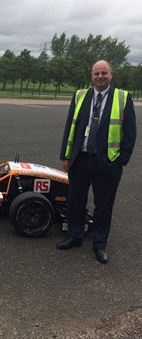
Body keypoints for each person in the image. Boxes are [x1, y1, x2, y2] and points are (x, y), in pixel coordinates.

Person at [56, 60, 136, 264]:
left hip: (107, 162)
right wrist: (66, 156)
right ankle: (75, 236)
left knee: (104, 204)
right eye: (96, 74)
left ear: (111, 74)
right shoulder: (80, 95)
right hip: (81, 158)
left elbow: (130, 133)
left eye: (104, 73)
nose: (100, 77)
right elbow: (70, 127)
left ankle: (99, 244)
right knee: (76, 200)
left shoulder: (123, 97)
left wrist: (121, 160)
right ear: (91, 76)